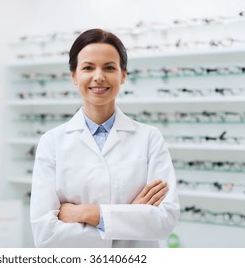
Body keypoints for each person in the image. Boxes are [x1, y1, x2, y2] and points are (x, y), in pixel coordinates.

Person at [30, 28, 179, 248]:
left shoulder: (149, 138)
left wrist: (89, 213)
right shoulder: (51, 142)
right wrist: (130, 217)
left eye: (109, 68)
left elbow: (164, 221)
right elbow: (45, 235)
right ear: (74, 75)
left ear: (123, 75)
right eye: (88, 67)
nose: (98, 77)